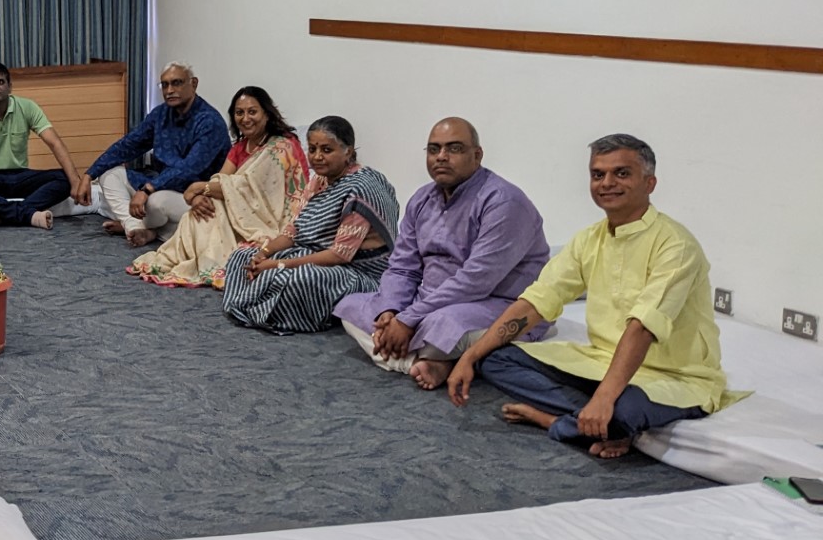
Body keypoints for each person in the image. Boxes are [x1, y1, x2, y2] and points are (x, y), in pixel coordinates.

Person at [449, 134, 736, 459]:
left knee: (625, 409)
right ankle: (596, 421)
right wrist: (470, 356)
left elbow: (642, 328)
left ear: (650, 183)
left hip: (673, 377)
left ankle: (559, 420)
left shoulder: (676, 245)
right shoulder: (589, 239)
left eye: (621, 173)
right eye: (598, 174)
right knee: (495, 359)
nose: (607, 183)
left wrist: (604, 398)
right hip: (601, 362)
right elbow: (536, 302)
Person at [334, 118, 551, 390]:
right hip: (431, 301)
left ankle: (418, 354)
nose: (442, 157)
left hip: (498, 302)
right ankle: (425, 361)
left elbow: (475, 281)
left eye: (454, 148)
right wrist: (391, 310)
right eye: (434, 149)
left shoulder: (503, 202)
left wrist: (408, 319)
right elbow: (402, 267)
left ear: (477, 155)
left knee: (442, 325)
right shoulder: (422, 199)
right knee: (354, 307)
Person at [220, 115, 399, 334]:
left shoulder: (360, 189)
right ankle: (256, 306)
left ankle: (276, 312)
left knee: (304, 277)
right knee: (242, 256)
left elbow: (339, 256)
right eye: (312, 149)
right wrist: (264, 253)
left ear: (348, 152)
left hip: (359, 271)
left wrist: (278, 265)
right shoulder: (319, 180)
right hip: (316, 254)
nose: (317, 157)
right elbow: (293, 231)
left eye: (326, 150)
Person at [129, 85, 310, 288]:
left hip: (271, 218)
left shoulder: (282, 146)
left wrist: (199, 188)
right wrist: (199, 195)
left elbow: (249, 187)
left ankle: (198, 256)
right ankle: (173, 243)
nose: (245, 118)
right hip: (240, 210)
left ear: (266, 114)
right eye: (239, 113)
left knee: (211, 207)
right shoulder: (240, 147)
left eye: (252, 112)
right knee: (203, 208)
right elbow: (221, 181)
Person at [89, 63, 228, 247]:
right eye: (165, 85)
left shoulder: (209, 122)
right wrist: (90, 174)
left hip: (196, 197)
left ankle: (144, 227)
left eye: (177, 83)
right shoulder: (161, 114)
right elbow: (128, 145)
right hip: (161, 185)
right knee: (110, 174)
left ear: (193, 84)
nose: (169, 90)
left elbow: (189, 169)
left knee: (156, 203)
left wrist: (147, 190)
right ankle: (135, 226)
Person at [0, 62, 92, 229]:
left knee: (65, 177)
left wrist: (75, 181)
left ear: (10, 87)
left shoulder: (27, 107)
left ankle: (3, 216)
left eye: (0, 82)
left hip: (20, 177)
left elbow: (55, 143)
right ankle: (26, 214)